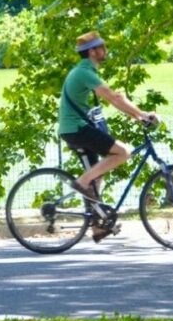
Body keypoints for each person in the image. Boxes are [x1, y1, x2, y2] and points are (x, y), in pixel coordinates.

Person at [58, 31, 159, 243]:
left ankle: (97, 227)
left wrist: (136, 115)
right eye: (102, 47)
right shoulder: (84, 72)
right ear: (92, 52)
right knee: (123, 152)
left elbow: (115, 97)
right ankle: (81, 182)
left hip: (74, 128)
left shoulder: (85, 71)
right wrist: (141, 114)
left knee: (96, 178)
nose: (106, 50)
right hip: (77, 128)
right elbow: (113, 97)